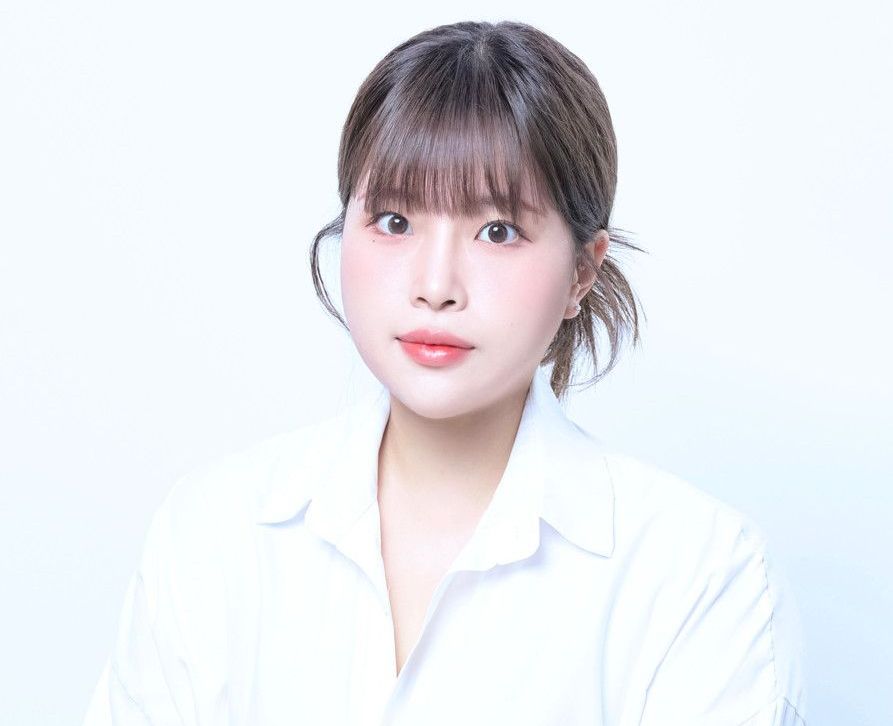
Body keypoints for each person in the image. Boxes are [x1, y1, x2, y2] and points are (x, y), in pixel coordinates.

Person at [83, 19, 807, 726]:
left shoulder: (695, 571)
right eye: (394, 221)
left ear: (583, 271)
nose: (435, 284)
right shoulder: (212, 532)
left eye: (497, 231)